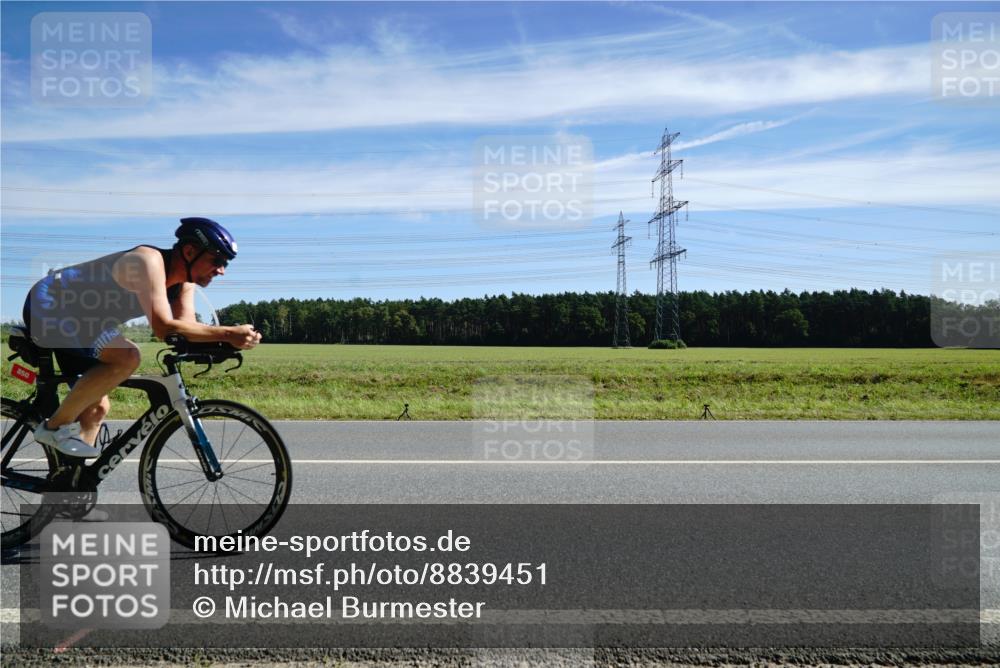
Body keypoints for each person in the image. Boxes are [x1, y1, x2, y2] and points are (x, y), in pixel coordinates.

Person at [22, 217, 261, 458]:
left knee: (95, 408)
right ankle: (52, 429)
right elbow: (163, 327)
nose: (221, 270)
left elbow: (185, 329)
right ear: (189, 251)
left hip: (85, 321)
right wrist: (229, 333)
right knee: (127, 356)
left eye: (226, 264)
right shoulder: (147, 261)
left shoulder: (184, 284)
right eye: (217, 260)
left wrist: (228, 343)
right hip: (51, 303)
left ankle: (71, 484)